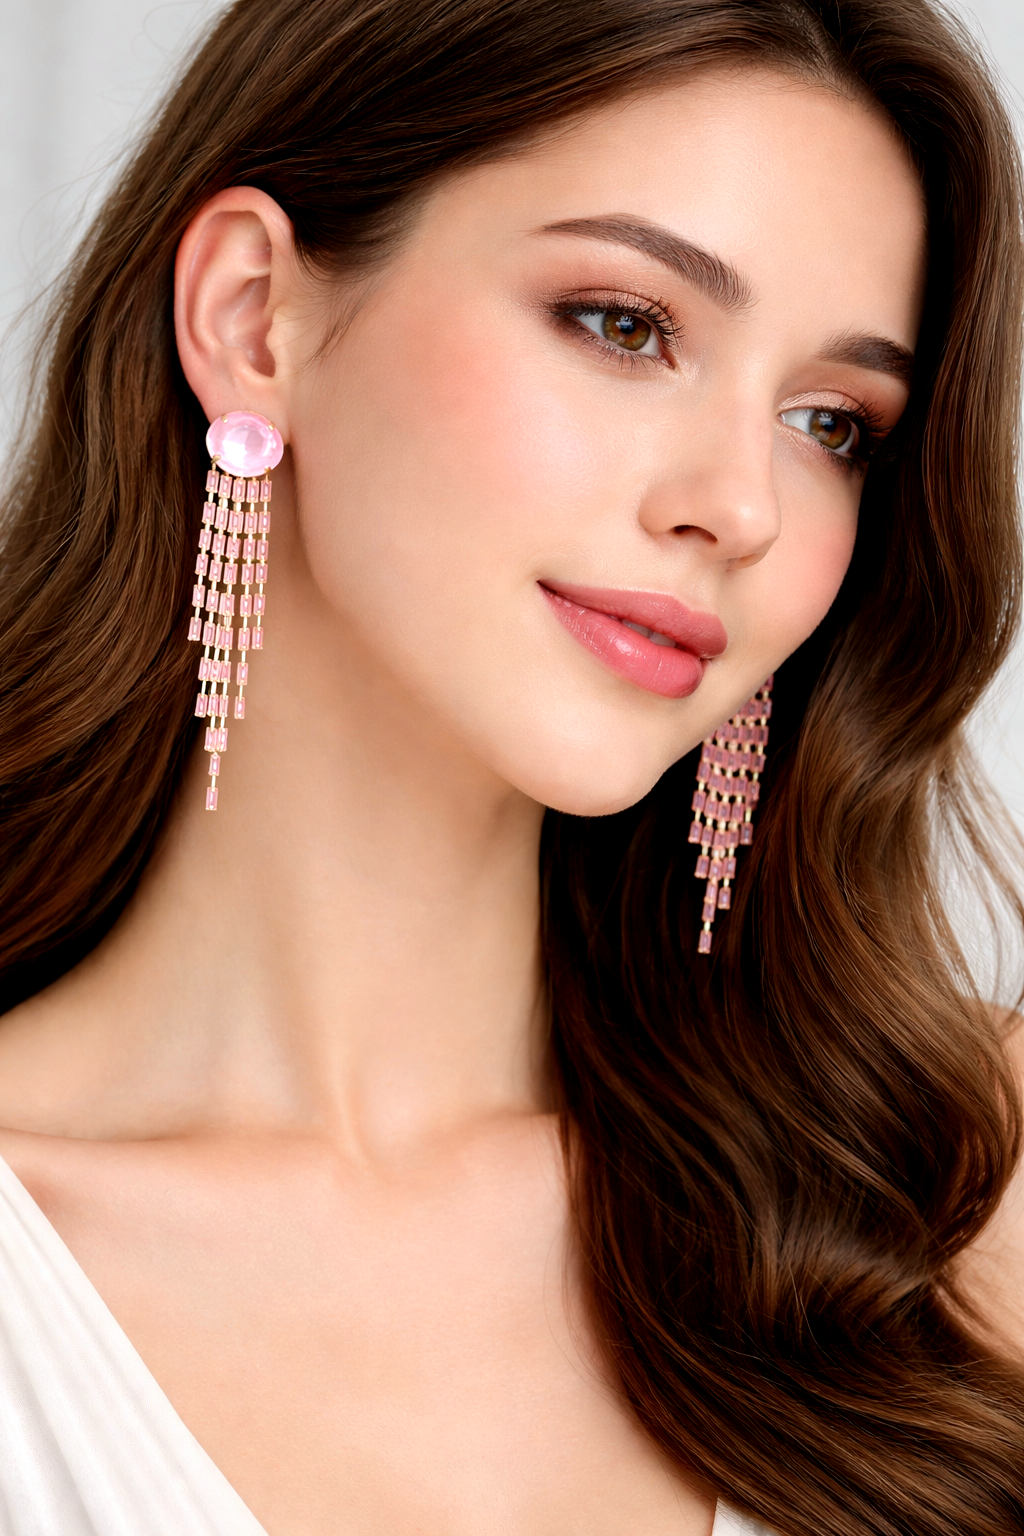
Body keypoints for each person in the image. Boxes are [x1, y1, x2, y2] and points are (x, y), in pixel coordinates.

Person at [0, 0, 1021, 1531]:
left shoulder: (946, 1187)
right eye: (627, 324)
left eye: (831, 423)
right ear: (252, 316)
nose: (739, 506)